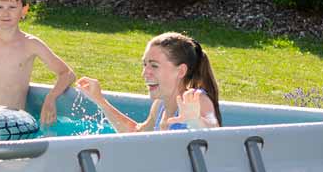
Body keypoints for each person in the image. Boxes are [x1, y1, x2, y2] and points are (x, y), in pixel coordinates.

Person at [77, 32, 222, 132]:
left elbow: (214, 131)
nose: (145, 73)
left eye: (154, 65)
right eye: (145, 65)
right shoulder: (159, 106)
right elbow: (135, 133)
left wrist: (195, 121)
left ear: (180, 71)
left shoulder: (196, 99)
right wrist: (100, 100)